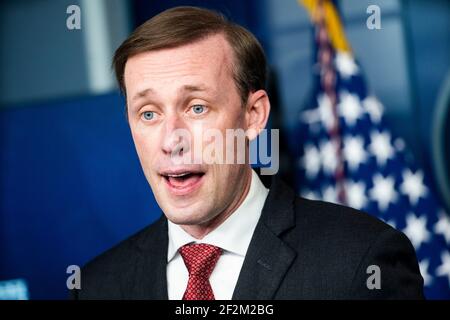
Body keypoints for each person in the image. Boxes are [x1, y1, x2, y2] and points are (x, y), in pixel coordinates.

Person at [72, 6, 424, 300]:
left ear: (253, 115)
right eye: (149, 113)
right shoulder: (96, 287)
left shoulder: (360, 261)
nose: (171, 140)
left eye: (197, 108)